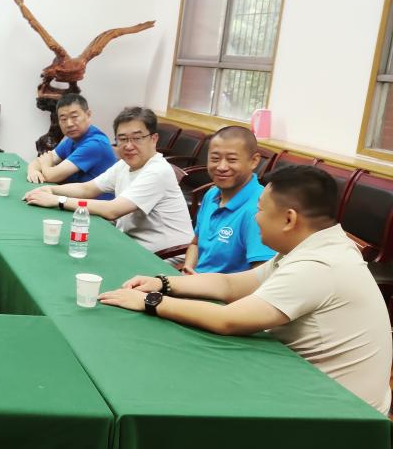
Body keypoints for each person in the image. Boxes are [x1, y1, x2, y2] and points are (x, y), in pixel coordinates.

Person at [99, 166, 392, 414]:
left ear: (289, 219)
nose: (255, 217)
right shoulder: (312, 246)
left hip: (338, 412)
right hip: (310, 387)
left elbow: (228, 320)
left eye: (261, 210)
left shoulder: (319, 266)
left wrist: (150, 301)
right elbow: (231, 285)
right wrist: (164, 283)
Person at [23, 107, 193, 253]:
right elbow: (87, 189)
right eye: (122, 139)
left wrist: (57, 200)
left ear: (153, 139)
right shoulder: (125, 165)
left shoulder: (158, 171)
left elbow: (112, 210)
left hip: (164, 257)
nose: (129, 145)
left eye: (137, 138)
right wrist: (51, 190)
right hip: (130, 244)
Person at [182, 126, 276, 274]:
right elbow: (195, 243)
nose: (221, 167)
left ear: (254, 161)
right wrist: (187, 268)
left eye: (232, 160)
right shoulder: (211, 194)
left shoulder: (259, 208)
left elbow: (260, 276)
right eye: (215, 159)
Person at [26, 93, 116, 200]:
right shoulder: (71, 140)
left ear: (88, 114)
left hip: (93, 207)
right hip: (72, 200)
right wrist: (33, 171)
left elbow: (52, 176)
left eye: (74, 117)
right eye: (63, 119)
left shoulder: (95, 144)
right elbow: (38, 161)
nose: (69, 124)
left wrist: (45, 165)